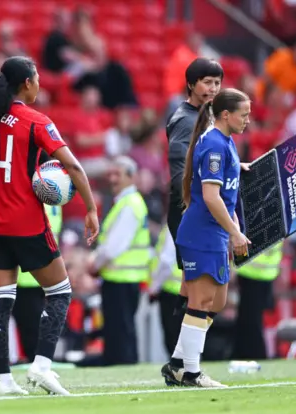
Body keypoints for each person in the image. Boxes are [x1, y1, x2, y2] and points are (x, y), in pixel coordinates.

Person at [0, 56, 99, 396]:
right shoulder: (35, 121)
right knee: (59, 292)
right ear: (27, 83)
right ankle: (42, 366)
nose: (40, 84)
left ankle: (3, 381)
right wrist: (90, 208)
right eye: (38, 78)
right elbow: (72, 166)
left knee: (1, 301)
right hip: (27, 224)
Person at [162, 88, 252, 388]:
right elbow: (212, 198)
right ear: (226, 114)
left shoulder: (225, 142)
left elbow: (226, 196)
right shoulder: (214, 144)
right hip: (201, 232)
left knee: (218, 302)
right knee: (201, 301)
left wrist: (233, 228)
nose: (248, 120)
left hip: (214, 233)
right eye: (244, 114)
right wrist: (235, 232)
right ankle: (191, 372)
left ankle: (176, 363)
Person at [166, 58, 224, 329]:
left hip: (199, 207)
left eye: (217, 83)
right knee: (199, 289)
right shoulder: (185, 121)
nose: (213, 88)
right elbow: (180, 169)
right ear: (191, 84)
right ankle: (181, 354)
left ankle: (181, 356)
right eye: (207, 82)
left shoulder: (207, 116)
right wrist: (190, 206)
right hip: (188, 209)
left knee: (196, 287)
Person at [89, 156, 151, 366]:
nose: (113, 179)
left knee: (120, 330)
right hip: (123, 277)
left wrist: (94, 265)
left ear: (131, 177)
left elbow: (113, 247)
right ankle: (124, 363)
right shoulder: (127, 202)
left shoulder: (129, 204)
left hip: (121, 278)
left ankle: (122, 364)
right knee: (122, 329)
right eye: (111, 174)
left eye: (118, 174)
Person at [14, 204, 62, 363]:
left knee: (30, 325)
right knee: (38, 323)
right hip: (46, 268)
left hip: (27, 273)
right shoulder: (53, 194)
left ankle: (35, 361)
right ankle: (40, 359)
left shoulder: (33, 194)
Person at [233, 242, 283, 360]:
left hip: (254, 271)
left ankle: (254, 356)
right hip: (260, 271)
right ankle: (246, 354)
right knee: (249, 319)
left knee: (251, 321)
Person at [149, 225, 183, 357]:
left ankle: (179, 371)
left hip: (172, 290)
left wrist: (154, 286)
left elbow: (166, 261)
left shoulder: (175, 223)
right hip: (191, 290)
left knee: (173, 339)